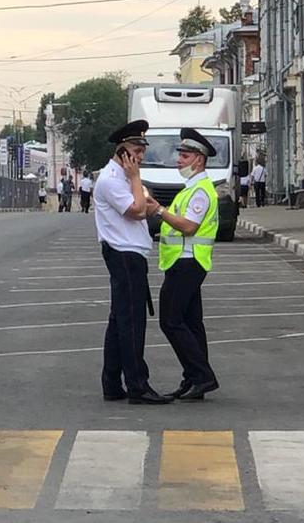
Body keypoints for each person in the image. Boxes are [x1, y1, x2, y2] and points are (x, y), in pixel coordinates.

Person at [94, 119, 172, 405]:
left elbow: (146, 204)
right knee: (132, 322)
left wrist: (138, 186)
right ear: (122, 151)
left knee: (119, 320)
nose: (141, 156)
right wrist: (136, 179)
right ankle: (138, 385)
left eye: (142, 150)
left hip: (131, 253)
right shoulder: (111, 180)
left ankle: (112, 383)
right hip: (123, 254)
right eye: (136, 151)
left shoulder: (123, 178)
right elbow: (139, 210)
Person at [147, 127, 220, 401]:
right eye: (180, 155)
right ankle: (193, 379)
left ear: (199, 160)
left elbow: (189, 226)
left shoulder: (200, 191)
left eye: (185, 156)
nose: (179, 160)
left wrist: (159, 210)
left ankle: (202, 375)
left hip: (187, 261)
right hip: (183, 261)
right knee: (191, 322)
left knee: (171, 320)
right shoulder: (191, 189)